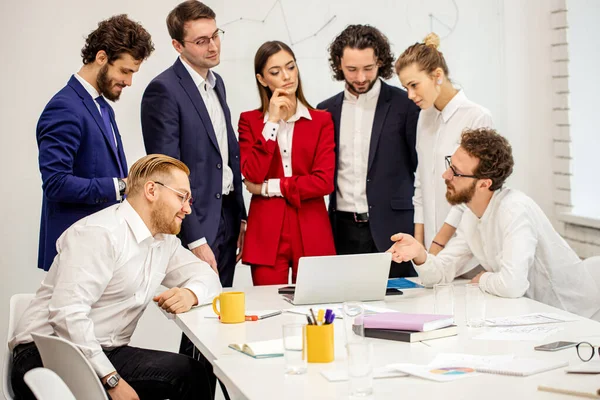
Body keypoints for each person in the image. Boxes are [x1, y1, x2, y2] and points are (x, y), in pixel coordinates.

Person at [10, 154, 221, 400]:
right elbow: (67, 315)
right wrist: (111, 379)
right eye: (181, 196)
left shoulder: (164, 243)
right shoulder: (99, 234)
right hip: (46, 354)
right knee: (187, 377)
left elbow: (208, 276)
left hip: (103, 351)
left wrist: (190, 293)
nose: (187, 208)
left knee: (192, 372)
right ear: (151, 190)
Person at [387, 128, 600, 319]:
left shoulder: (514, 210)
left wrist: (483, 279)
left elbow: (512, 285)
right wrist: (420, 255)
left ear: (484, 184)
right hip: (538, 316)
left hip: (577, 320)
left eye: (456, 172)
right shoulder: (471, 214)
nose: (446, 175)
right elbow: (441, 274)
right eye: (449, 165)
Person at [141, 0, 246, 288]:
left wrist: (241, 217)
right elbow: (166, 173)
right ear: (177, 45)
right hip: (195, 221)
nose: (213, 46)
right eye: (201, 41)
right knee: (199, 317)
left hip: (227, 214)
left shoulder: (217, 83)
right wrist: (195, 238)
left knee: (222, 313)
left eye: (215, 35)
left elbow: (224, 154)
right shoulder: (163, 90)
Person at [37, 15, 154, 271]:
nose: (129, 81)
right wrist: (121, 186)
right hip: (74, 255)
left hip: (102, 251)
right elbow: (55, 184)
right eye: (125, 71)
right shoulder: (64, 108)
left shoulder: (103, 107)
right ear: (101, 57)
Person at [317, 25, 420, 277]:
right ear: (338, 65)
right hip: (342, 229)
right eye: (352, 69)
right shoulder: (325, 110)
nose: (360, 77)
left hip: (394, 229)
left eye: (368, 68)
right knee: (346, 306)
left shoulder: (405, 105)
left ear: (380, 62)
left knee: (401, 304)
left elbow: (420, 168)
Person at [239, 41, 336, 285]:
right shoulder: (250, 121)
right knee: (268, 309)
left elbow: (323, 182)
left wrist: (267, 188)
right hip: (266, 230)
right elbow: (252, 173)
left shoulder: (321, 121)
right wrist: (271, 121)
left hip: (312, 225)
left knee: (316, 310)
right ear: (262, 79)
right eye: (275, 72)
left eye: (290, 67)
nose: (286, 76)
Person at [395, 32, 493, 255]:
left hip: (465, 250)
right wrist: (419, 248)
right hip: (431, 250)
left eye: (414, 85)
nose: (410, 95)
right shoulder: (424, 117)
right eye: (405, 88)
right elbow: (420, 183)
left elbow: (473, 192)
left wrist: (438, 245)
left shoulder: (476, 117)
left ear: (437, 75)